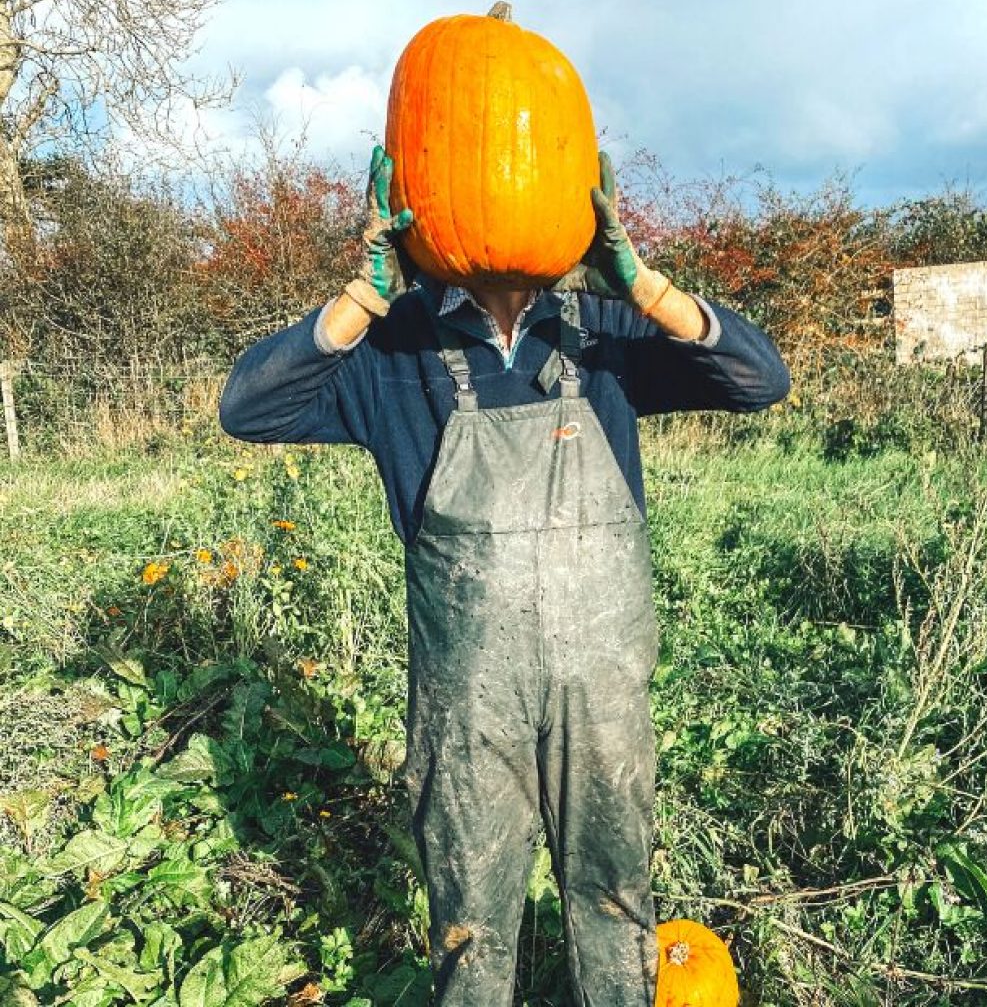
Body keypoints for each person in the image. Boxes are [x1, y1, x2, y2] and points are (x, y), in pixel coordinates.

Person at [219, 145, 790, 1007]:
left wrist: (646, 287)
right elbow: (248, 408)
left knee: (614, 890)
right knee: (470, 911)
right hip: (468, 694)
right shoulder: (393, 351)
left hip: (600, 685)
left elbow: (760, 379)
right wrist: (360, 300)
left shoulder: (606, 334)